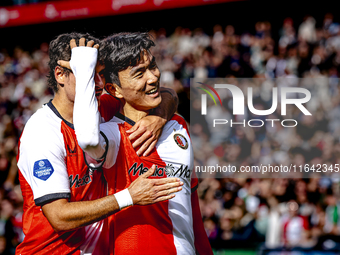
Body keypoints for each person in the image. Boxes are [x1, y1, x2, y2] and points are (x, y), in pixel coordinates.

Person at [16, 33, 183, 255]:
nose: (99, 83)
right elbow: (59, 217)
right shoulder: (42, 132)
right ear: (60, 75)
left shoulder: (102, 107)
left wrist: (158, 118)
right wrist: (129, 197)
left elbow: (166, 93)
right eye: (87, 73)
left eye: (101, 74)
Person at [69, 32, 213, 255]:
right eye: (139, 74)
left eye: (152, 66)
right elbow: (88, 139)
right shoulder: (110, 135)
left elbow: (191, 207)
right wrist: (84, 66)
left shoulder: (179, 125)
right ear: (114, 90)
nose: (153, 77)